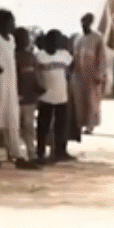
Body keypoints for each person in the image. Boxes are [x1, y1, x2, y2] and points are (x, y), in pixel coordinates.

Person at [0, 10, 35, 169]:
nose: (13, 25)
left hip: (10, 83)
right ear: (1, 23)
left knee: (12, 119)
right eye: (11, 21)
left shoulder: (11, 40)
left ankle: (17, 155)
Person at [35, 29, 73, 163]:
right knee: (43, 126)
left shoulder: (64, 55)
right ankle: (40, 152)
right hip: (45, 97)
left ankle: (59, 151)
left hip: (61, 97)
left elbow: (69, 71)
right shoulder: (39, 56)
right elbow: (36, 74)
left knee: (60, 126)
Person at [72, 13, 107, 135]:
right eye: (83, 22)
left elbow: (102, 58)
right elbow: (74, 56)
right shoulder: (78, 38)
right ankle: (81, 124)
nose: (84, 24)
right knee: (79, 100)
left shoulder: (97, 38)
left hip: (92, 74)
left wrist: (100, 75)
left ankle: (90, 125)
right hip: (79, 74)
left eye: (87, 22)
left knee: (92, 101)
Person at [14, 27, 45, 159]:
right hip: (16, 98)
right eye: (22, 38)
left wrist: (38, 88)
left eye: (26, 38)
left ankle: (31, 153)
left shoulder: (31, 57)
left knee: (29, 127)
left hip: (29, 98)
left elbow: (35, 76)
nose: (25, 41)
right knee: (15, 127)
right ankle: (16, 153)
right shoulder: (13, 57)